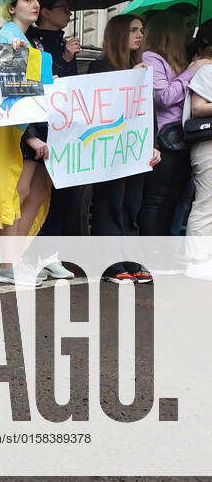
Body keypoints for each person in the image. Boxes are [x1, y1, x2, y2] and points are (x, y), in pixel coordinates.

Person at [0, 0, 54, 286]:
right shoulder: (7, 38)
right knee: (19, 191)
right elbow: (11, 92)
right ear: (12, 7)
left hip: (34, 123)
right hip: (17, 129)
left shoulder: (28, 40)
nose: (35, 4)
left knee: (37, 191)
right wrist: (29, 135)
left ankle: (14, 256)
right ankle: (6, 262)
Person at [88, 14, 158, 283]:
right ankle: (110, 264)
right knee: (110, 204)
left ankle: (130, 259)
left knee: (132, 204)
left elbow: (147, 111)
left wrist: (154, 145)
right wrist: (131, 78)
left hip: (136, 147)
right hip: (110, 149)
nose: (139, 35)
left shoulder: (138, 66)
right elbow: (101, 108)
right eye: (133, 30)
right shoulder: (101, 66)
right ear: (119, 34)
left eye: (141, 29)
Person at [138, 9, 203, 236]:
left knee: (174, 198)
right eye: (184, 28)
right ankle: (150, 251)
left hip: (180, 135)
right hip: (164, 137)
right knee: (157, 199)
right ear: (170, 33)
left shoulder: (178, 59)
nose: (189, 33)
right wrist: (191, 72)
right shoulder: (151, 58)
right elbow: (164, 97)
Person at [25, 0, 82, 250]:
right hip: (37, 125)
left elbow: (70, 85)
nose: (69, 13)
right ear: (46, 12)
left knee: (61, 193)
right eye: (64, 7)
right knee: (30, 193)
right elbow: (36, 82)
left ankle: (49, 252)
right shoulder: (29, 39)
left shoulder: (64, 44)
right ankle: (25, 249)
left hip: (62, 128)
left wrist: (69, 57)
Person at [183, 31, 212, 278]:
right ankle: (197, 260)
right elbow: (198, 107)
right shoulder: (207, 71)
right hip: (208, 145)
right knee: (206, 202)